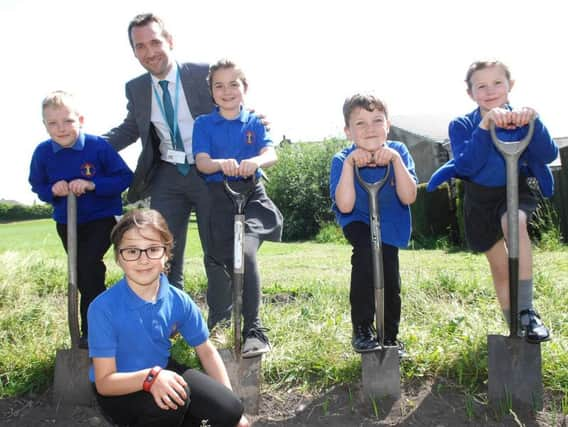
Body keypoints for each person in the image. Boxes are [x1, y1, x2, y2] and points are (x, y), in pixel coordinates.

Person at [103, 13, 231, 329]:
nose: (150, 52)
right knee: (162, 252)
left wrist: (253, 123)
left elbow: (231, 105)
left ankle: (221, 322)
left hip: (208, 171)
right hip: (167, 176)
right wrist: (85, 145)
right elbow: (131, 128)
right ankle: (172, 322)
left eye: (155, 42)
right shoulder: (136, 88)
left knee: (216, 252)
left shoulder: (203, 74)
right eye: (140, 46)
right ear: (134, 51)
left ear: (169, 41)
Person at [427, 60, 558, 343]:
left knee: (515, 221)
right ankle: (515, 327)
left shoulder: (522, 120)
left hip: (514, 189)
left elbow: (547, 154)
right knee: (500, 268)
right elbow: (467, 165)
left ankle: (527, 313)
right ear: (471, 93)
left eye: (497, 83)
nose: (490, 90)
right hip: (479, 199)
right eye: (481, 86)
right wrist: (485, 126)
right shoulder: (462, 125)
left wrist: (535, 122)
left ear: (510, 86)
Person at [87, 209, 249, 427]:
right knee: (170, 403)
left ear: (166, 254)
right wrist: (150, 378)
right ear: (118, 257)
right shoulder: (102, 308)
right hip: (120, 389)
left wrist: (233, 413)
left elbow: (207, 351)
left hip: (161, 370)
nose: (143, 259)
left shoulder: (178, 300)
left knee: (230, 410)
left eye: (153, 249)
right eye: (132, 251)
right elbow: (105, 383)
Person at [192, 59, 283, 358]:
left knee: (244, 253)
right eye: (219, 85)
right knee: (225, 259)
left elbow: (270, 153)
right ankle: (227, 318)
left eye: (234, 84)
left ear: (245, 89)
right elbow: (202, 162)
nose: (227, 90)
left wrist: (255, 162)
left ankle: (254, 330)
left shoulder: (254, 123)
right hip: (220, 199)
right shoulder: (204, 124)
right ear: (211, 92)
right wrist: (222, 164)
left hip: (251, 196)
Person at [28, 90, 133, 349]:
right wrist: (52, 190)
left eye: (67, 121)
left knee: (87, 265)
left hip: (101, 218)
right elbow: (37, 184)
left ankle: (92, 332)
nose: (61, 128)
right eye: (53, 123)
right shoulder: (43, 153)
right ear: (45, 125)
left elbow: (124, 177)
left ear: (81, 119)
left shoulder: (98, 147)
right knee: (83, 273)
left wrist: (92, 184)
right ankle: (96, 329)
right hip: (67, 221)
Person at [329, 94, 417, 356]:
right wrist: (349, 165)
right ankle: (362, 329)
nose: (370, 129)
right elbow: (344, 205)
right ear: (347, 132)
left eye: (377, 120)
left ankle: (389, 336)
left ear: (388, 126)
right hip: (358, 219)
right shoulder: (341, 158)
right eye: (360, 123)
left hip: (390, 223)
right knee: (367, 253)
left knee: (390, 277)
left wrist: (395, 162)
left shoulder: (398, 152)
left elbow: (409, 196)